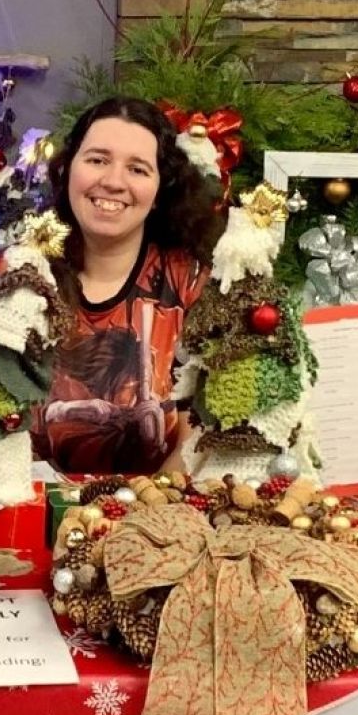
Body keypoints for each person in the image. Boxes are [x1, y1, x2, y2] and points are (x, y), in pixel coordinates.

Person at [31, 97, 220, 477]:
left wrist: (143, 515)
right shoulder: (25, 276)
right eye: (98, 160)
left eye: (137, 168)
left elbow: (197, 441)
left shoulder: (191, 282)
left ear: (158, 191)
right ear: (68, 169)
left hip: (162, 513)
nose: (114, 182)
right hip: (36, 512)